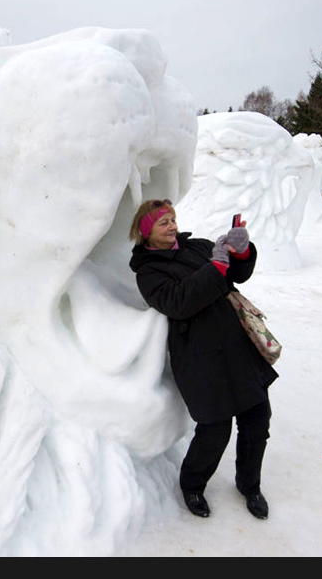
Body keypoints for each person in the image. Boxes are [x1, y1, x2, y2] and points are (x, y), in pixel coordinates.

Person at [128, 199, 278, 520]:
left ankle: (250, 485)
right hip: (200, 359)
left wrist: (241, 251)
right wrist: (216, 267)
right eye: (163, 222)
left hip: (239, 347)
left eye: (173, 219)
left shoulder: (198, 246)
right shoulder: (148, 272)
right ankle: (193, 485)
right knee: (215, 430)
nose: (172, 226)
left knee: (257, 423)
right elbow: (179, 302)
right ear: (146, 233)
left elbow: (235, 275)